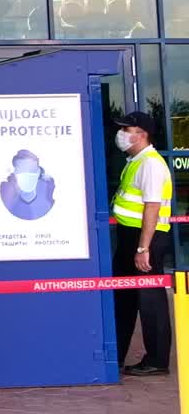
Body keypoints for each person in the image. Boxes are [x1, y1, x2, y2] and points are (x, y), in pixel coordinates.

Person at [111, 111, 173, 376]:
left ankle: (157, 361)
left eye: (127, 129)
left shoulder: (150, 164)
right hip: (131, 236)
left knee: (150, 301)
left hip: (145, 238)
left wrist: (142, 248)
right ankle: (116, 355)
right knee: (124, 296)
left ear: (143, 134)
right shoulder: (136, 160)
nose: (122, 133)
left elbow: (152, 208)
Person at [0, 149, 55, 221]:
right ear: (15, 173)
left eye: (31, 170)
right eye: (22, 170)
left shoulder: (47, 204)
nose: (27, 174)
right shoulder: (7, 202)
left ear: (39, 173)